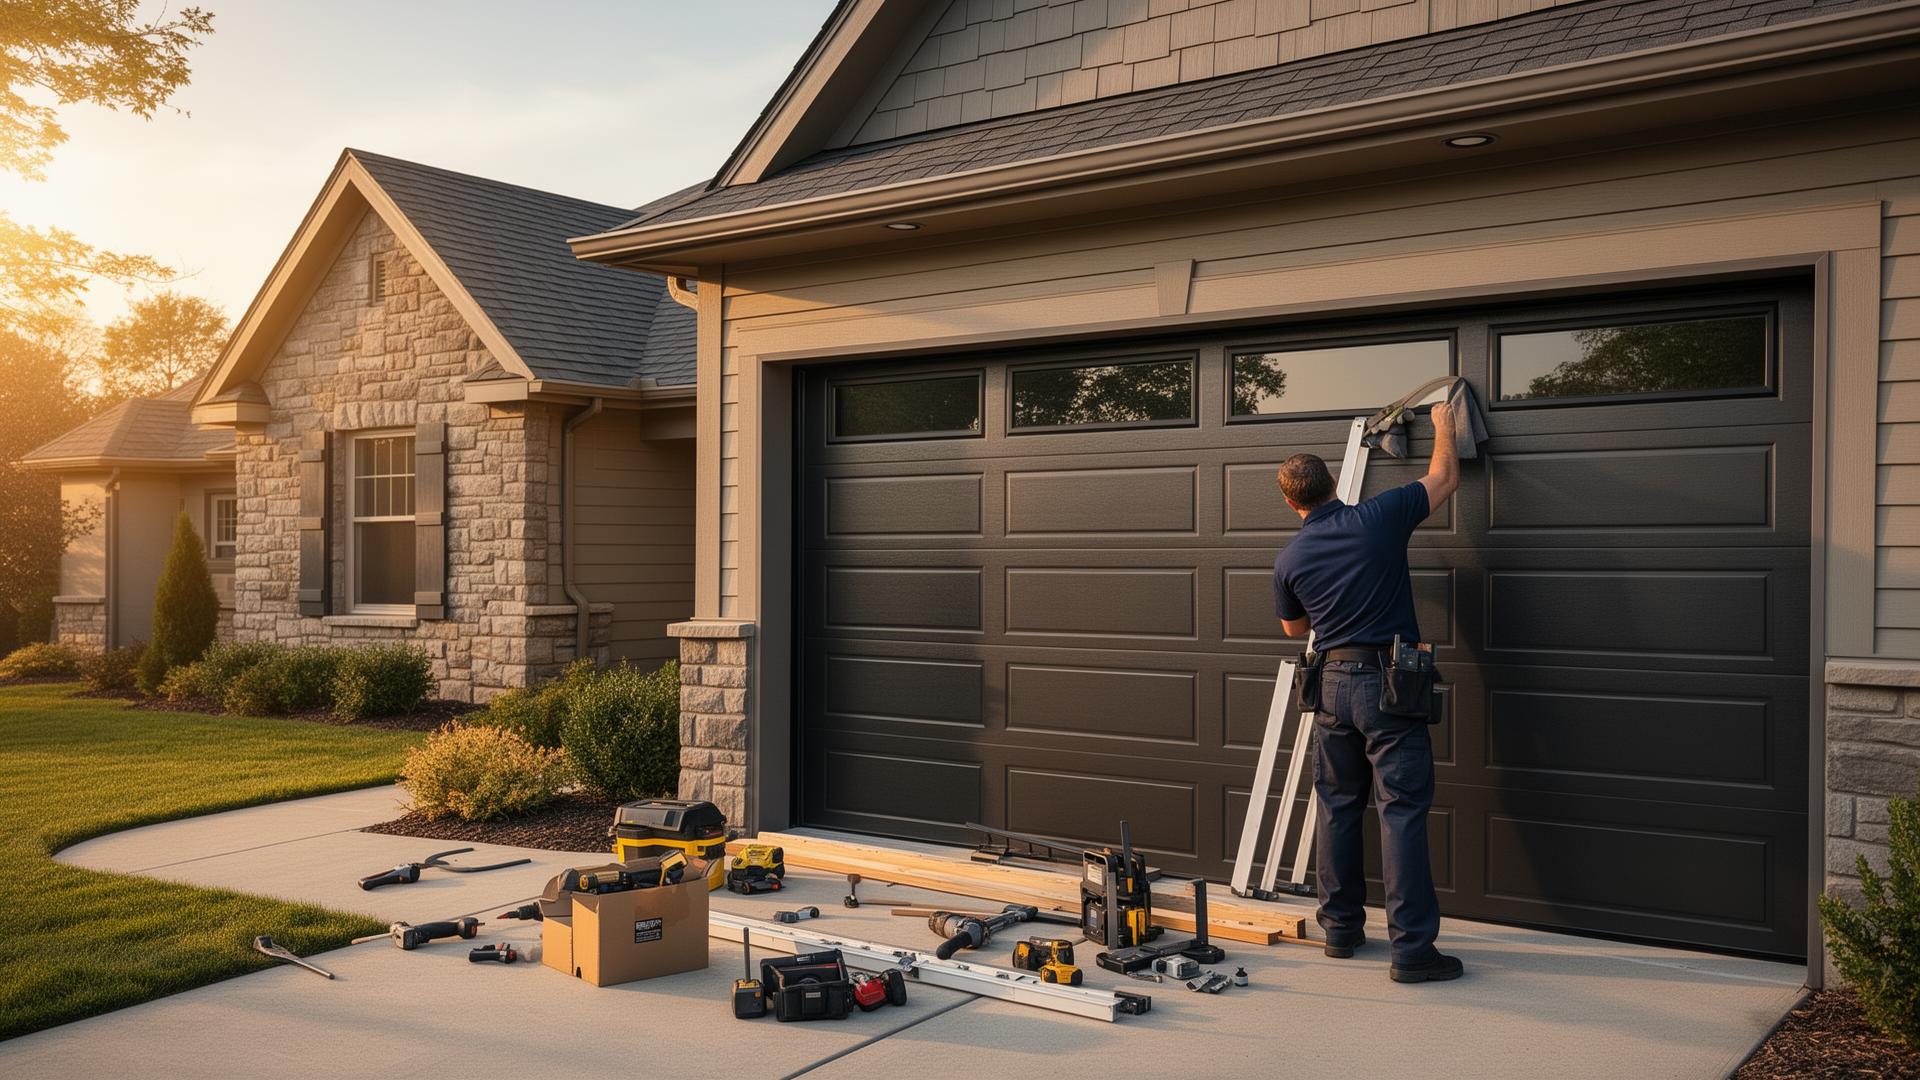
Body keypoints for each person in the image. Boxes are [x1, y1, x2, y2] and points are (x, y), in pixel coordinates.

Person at [1270, 397, 1465, 984]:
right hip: (1388, 685)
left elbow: (1294, 629)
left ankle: (1341, 932)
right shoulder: (1379, 516)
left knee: (1337, 805)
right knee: (1400, 811)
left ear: (1290, 502)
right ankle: (1411, 952)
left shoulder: (1289, 558)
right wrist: (1442, 426)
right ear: (1333, 484)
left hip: (1331, 685)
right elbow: (1444, 477)